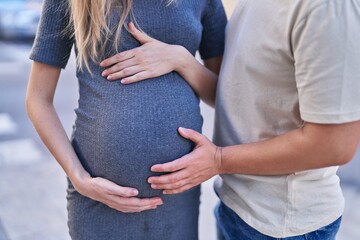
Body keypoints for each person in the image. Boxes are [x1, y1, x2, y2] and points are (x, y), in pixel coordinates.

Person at [119, 0, 360, 239]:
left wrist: (219, 160)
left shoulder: (329, 8)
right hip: (236, 208)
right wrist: (181, 60)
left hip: (282, 226)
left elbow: (334, 145)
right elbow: (236, 96)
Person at [26, 0, 226, 239]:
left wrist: (181, 60)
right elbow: (38, 99)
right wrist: (79, 178)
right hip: (97, 200)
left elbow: (221, 94)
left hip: (177, 198)